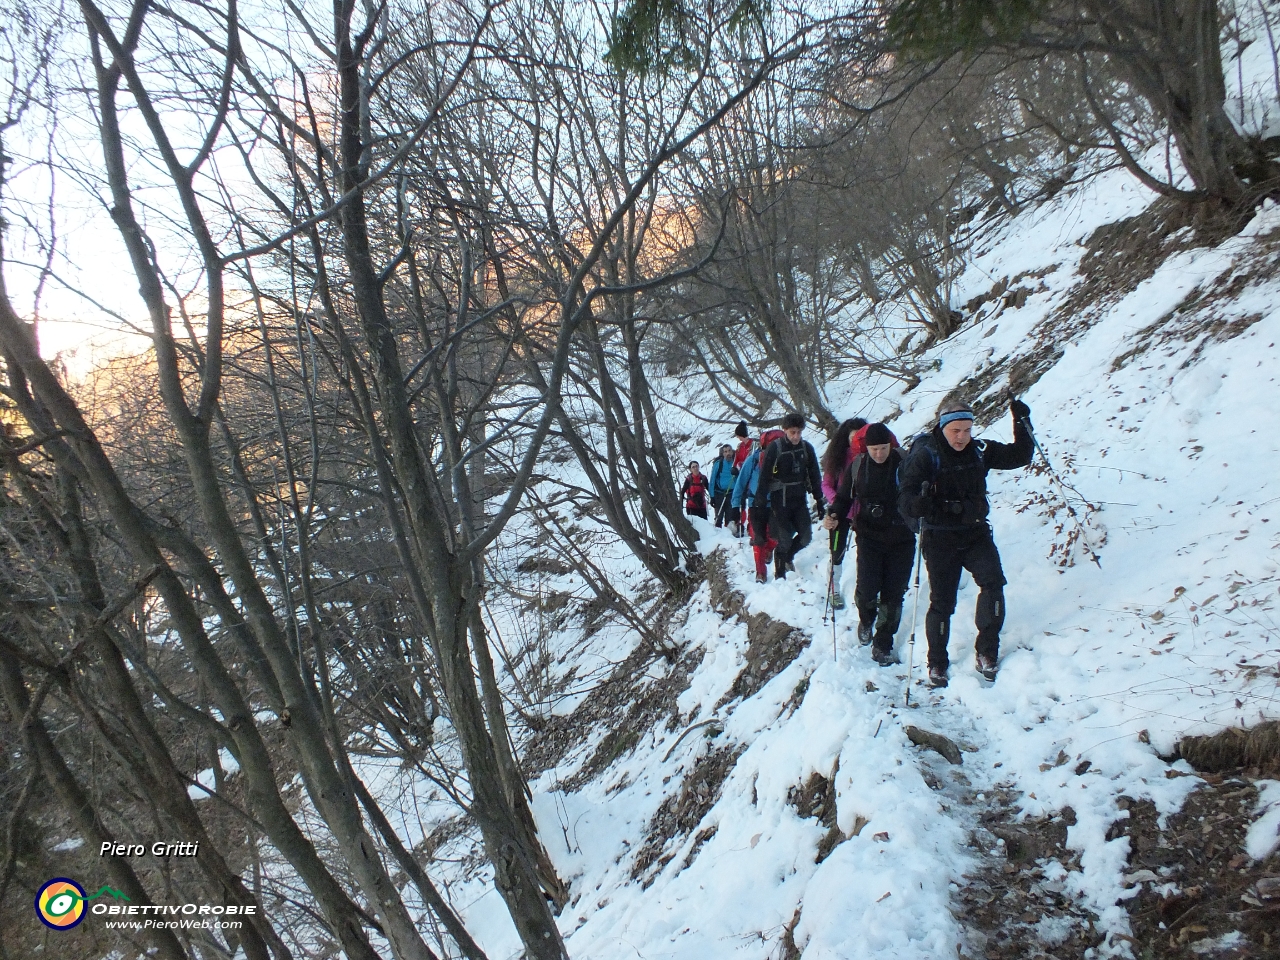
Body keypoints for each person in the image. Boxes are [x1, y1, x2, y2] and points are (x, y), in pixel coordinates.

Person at [897, 397, 1033, 687]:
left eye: (967, 430)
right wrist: (916, 505)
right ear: (942, 427)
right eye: (956, 430)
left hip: (975, 532)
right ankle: (937, 663)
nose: (962, 437)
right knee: (943, 602)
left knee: (993, 583)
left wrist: (1022, 422)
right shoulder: (927, 456)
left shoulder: (980, 451)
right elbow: (904, 497)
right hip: (940, 537)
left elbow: (1020, 456)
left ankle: (987, 651)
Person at [825, 422, 913, 665]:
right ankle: (866, 618)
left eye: (883, 448)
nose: (879, 454)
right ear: (866, 448)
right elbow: (843, 498)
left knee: (894, 594)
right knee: (867, 589)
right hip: (869, 537)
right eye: (874, 449)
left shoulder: (904, 462)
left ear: (890, 445)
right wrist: (833, 514)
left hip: (901, 537)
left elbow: (919, 492)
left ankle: (883, 643)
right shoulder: (858, 466)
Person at [760, 413, 824, 580]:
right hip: (779, 500)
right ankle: (780, 575)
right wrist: (760, 501)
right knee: (785, 539)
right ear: (785, 430)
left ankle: (787, 557)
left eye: (799, 432)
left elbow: (815, 475)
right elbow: (765, 475)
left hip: (799, 499)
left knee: (806, 537)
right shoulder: (775, 448)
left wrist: (819, 500)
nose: (796, 436)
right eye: (792, 432)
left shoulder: (806, 448)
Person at [819, 417, 869, 609]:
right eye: (853, 437)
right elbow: (826, 484)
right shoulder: (838, 457)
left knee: (866, 553)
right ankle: (834, 589)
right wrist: (837, 502)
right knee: (837, 552)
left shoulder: (869, 455)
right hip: (841, 513)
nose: (856, 441)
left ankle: (865, 591)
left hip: (864, 512)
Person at [732, 428, 783, 583]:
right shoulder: (753, 461)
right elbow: (740, 483)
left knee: (775, 536)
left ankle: (768, 550)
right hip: (755, 504)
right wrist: (735, 506)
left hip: (776, 504)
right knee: (758, 538)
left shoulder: (784, 461)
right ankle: (760, 572)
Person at [728, 421, 754, 537]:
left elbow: (752, 460)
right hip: (741, 477)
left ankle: (751, 525)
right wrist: (734, 467)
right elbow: (737, 459)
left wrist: (741, 466)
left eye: (738, 435)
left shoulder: (753, 445)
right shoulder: (740, 447)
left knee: (752, 502)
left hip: (751, 478)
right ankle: (740, 525)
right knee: (741, 502)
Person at [708, 444, 737, 528]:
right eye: (725, 451)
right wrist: (712, 496)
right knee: (718, 518)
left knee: (730, 518)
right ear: (723, 453)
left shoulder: (736, 463)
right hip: (719, 494)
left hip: (732, 494)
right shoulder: (718, 464)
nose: (728, 453)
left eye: (729, 451)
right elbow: (712, 480)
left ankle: (729, 538)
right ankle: (718, 536)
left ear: (732, 452)